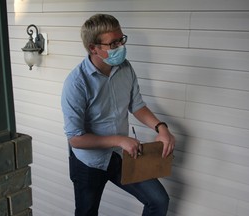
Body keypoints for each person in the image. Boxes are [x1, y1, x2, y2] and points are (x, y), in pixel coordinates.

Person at [61, 13, 175, 216]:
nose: (120, 47)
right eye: (112, 44)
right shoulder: (76, 83)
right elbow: (76, 139)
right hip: (88, 162)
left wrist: (161, 128)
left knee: (158, 201)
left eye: (121, 39)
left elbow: (137, 105)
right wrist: (120, 139)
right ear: (93, 48)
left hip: (121, 155)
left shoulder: (125, 68)